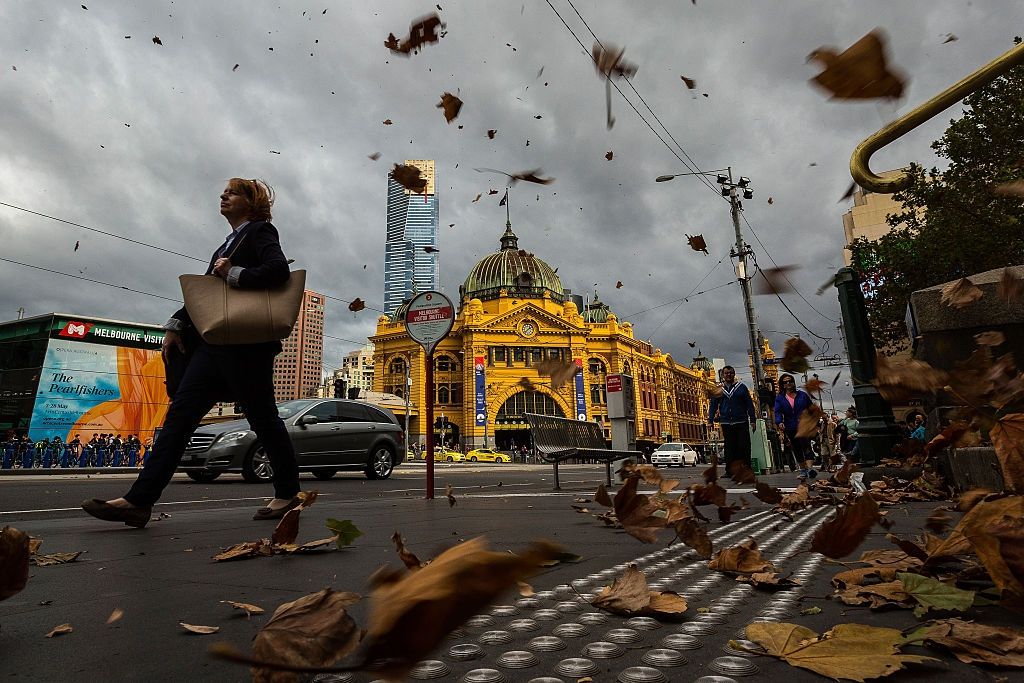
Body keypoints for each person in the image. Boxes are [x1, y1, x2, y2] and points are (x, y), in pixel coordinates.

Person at [82, 178, 301, 528]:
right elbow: (205, 297)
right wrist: (174, 326)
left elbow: (278, 271)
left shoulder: (260, 231)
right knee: (179, 420)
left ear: (251, 201)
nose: (222, 196)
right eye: (223, 192)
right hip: (211, 347)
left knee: (263, 420)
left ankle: (288, 493)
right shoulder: (225, 245)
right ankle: (138, 502)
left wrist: (234, 272)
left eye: (231, 192)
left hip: (245, 350)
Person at [707, 365, 757, 478]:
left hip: (741, 421)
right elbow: (713, 405)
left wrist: (752, 419)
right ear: (723, 375)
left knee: (744, 446)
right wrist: (710, 420)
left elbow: (749, 404)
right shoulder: (719, 388)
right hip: (726, 422)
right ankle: (729, 471)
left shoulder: (741, 387)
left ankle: (747, 469)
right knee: (729, 447)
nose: (728, 375)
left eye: (730, 373)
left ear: (734, 374)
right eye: (726, 373)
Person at [774, 373, 816, 481]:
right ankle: (803, 470)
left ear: (793, 382)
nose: (788, 384)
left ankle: (810, 469)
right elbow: (777, 412)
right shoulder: (780, 398)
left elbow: (811, 408)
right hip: (790, 426)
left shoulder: (802, 395)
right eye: (785, 382)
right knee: (797, 448)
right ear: (782, 385)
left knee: (806, 445)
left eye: (790, 381)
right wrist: (779, 422)